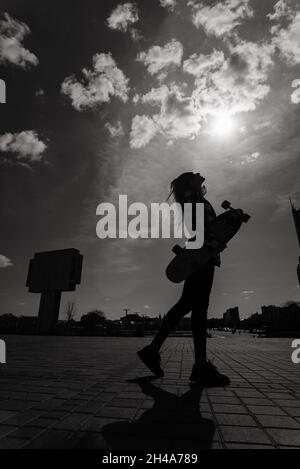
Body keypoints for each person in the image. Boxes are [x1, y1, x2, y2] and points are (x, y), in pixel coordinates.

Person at [137, 172, 230, 387]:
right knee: (198, 309)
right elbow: (203, 230)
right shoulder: (194, 200)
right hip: (200, 258)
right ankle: (199, 366)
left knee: (186, 305)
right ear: (189, 182)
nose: (200, 175)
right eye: (194, 175)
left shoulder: (192, 200)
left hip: (198, 257)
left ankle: (153, 351)